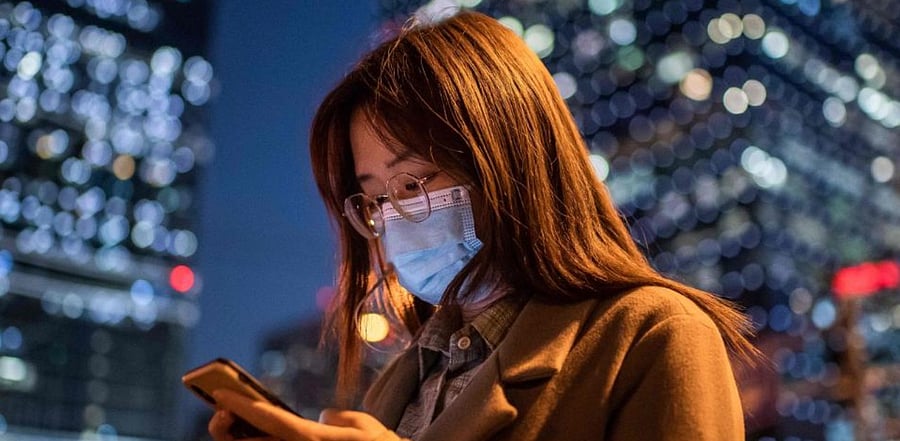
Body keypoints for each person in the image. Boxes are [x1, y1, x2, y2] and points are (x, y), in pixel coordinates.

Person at [208, 10, 757, 441]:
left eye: (413, 183)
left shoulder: (652, 336)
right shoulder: (406, 379)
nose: (394, 219)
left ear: (510, 162)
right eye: (374, 198)